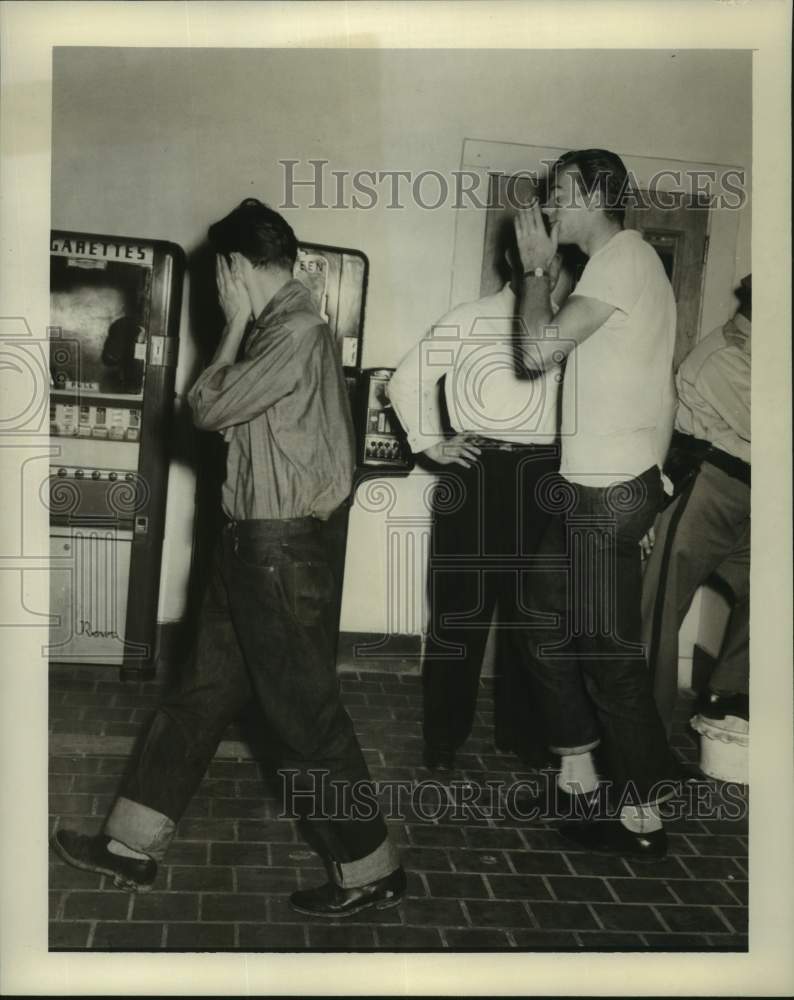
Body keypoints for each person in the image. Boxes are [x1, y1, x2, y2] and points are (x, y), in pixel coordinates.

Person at [51, 198, 405, 918]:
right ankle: (130, 845)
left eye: (222, 275)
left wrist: (236, 319)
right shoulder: (287, 329)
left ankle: (371, 866)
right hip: (248, 548)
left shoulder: (294, 330)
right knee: (197, 700)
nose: (218, 289)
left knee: (306, 721)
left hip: (273, 553)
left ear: (237, 267)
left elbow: (204, 407)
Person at [510, 149, 681, 859]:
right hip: (607, 490)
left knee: (608, 658)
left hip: (605, 496)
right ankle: (578, 773)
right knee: (542, 617)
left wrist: (531, 269)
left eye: (557, 195)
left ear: (586, 193)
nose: (548, 208)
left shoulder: (623, 260)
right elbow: (656, 383)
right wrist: (656, 482)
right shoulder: (617, 268)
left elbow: (536, 351)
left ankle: (644, 818)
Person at [388, 236, 574, 774]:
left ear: (559, 265)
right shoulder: (469, 318)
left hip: (545, 477)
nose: (547, 265)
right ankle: (443, 737)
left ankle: (523, 735)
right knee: (458, 614)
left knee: (534, 615)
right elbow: (406, 380)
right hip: (476, 473)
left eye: (556, 257)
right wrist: (431, 443)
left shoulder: (566, 328)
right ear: (516, 261)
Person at [642, 275, 751, 737]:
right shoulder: (722, 355)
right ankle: (644, 738)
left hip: (750, 492)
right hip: (707, 486)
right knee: (660, 614)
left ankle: (726, 697)